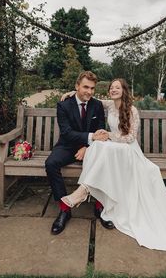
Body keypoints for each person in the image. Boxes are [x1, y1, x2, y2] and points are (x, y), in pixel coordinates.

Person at [61, 78, 166, 251]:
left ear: (124, 90)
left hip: (128, 150)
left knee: (100, 145)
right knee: (97, 145)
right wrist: (72, 93)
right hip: (114, 150)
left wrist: (108, 136)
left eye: (117, 88)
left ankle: (84, 190)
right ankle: (85, 190)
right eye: (111, 88)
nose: (113, 90)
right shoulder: (109, 105)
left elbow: (130, 138)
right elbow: (88, 98)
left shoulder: (132, 110)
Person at [45, 71, 114, 235]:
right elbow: (67, 132)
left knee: (104, 162)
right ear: (77, 86)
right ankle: (64, 210)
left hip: (92, 147)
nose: (89, 92)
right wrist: (89, 138)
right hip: (67, 145)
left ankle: (100, 207)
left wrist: (88, 147)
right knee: (51, 163)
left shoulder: (96, 105)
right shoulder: (64, 105)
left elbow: (101, 131)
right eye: (85, 87)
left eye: (92, 88)